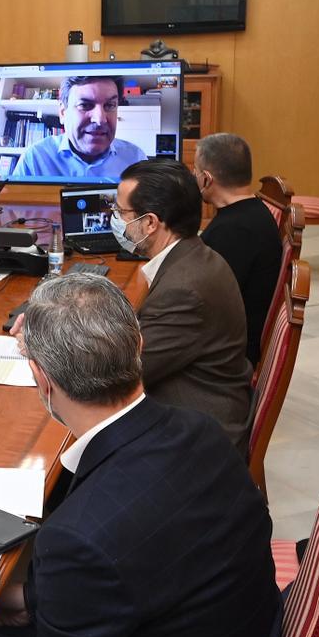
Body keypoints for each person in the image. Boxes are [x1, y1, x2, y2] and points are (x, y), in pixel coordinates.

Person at [0, 273, 281, 637]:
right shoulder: (203, 431)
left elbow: (114, 558)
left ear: (42, 380)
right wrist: (28, 600)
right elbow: (152, 566)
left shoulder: (75, 538)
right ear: (138, 346)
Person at [111, 159, 253, 449]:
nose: (115, 219)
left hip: (198, 437)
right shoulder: (195, 256)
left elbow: (123, 372)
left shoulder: (184, 289)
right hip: (199, 403)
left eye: (120, 212)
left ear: (150, 222)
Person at [196, 133, 282, 365]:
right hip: (233, 339)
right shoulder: (250, 214)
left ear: (206, 179)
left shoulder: (233, 232)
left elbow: (200, 302)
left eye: (196, 171)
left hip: (226, 357)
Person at [12, 76, 148, 180]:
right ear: (63, 112)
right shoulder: (36, 159)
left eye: (110, 105)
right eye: (85, 105)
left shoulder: (135, 160)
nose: (100, 119)